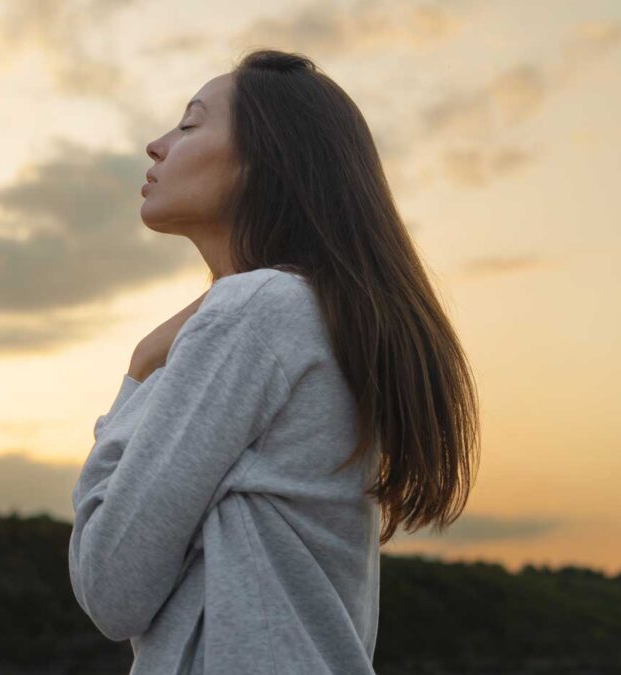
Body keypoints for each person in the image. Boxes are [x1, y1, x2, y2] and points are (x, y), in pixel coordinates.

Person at [68, 49, 481, 674]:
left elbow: (111, 585)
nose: (156, 146)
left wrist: (140, 371)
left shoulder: (258, 310)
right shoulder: (316, 314)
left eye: (188, 125)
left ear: (265, 158)